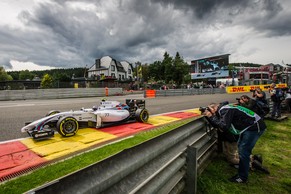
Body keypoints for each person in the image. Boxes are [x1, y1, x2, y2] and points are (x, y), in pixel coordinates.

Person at [202, 102, 266, 183]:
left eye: (210, 111)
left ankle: (242, 177)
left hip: (253, 127)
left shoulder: (224, 110)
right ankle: (254, 158)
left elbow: (224, 126)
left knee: (243, 152)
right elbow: (219, 123)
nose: (212, 113)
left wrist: (211, 116)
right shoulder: (226, 108)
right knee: (241, 149)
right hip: (252, 126)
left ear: (213, 108)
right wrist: (210, 117)